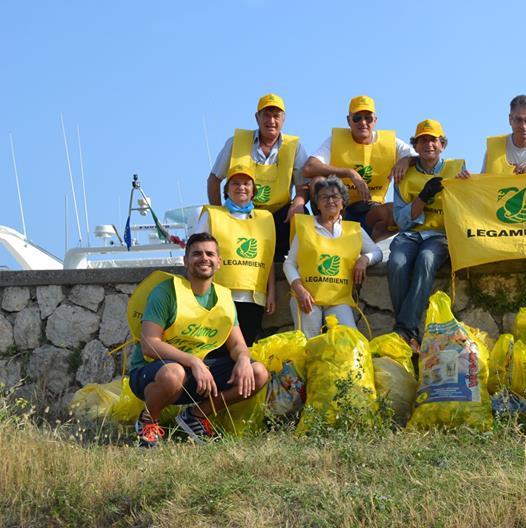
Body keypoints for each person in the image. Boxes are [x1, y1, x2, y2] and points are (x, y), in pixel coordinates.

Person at [128, 233, 269, 447]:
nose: (204, 258)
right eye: (197, 254)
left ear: (219, 262)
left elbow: (238, 345)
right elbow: (149, 344)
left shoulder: (223, 297)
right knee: (173, 372)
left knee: (258, 372)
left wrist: (242, 360)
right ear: (186, 261)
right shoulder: (166, 292)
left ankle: (196, 416)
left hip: (196, 373)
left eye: (210, 253)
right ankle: (149, 422)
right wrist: (193, 362)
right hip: (152, 373)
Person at [389, 119, 468, 349]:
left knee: (426, 259)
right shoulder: (404, 174)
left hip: (440, 235)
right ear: (415, 146)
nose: (428, 145)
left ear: (442, 144)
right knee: (396, 262)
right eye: (423, 140)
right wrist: (422, 198)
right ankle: (409, 332)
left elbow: (469, 204)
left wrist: (467, 185)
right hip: (411, 235)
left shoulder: (457, 168)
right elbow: (401, 220)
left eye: (433, 140)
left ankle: (404, 330)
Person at [207, 93, 308, 264]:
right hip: (243, 214)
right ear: (257, 117)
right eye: (266, 115)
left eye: (276, 116)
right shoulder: (235, 142)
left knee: (303, 214)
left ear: (283, 119)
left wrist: (298, 202)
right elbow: (214, 179)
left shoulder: (294, 147)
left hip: (279, 215)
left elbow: (304, 186)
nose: (271, 121)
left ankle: (296, 265)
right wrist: (220, 216)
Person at [302, 95, 415, 241]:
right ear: (348, 120)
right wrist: (350, 173)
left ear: (375, 120)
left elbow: (421, 157)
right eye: (357, 118)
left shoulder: (391, 142)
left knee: (394, 211)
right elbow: (309, 168)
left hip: (371, 209)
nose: (363, 123)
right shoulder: (335, 140)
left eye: (368, 118)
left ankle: (373, 246)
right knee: (318, 181)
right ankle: (332, 233)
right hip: (340, 208)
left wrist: (407, 160)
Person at [284, 176, 382, 337]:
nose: (330, 200)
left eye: (335, 196)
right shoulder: (305, 226)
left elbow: (377, 252)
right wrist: (299, 289)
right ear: (317, 203)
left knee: (349, 340)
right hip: (308, 297)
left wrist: (364, 259)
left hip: (338, 298)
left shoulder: (354, 230)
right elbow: (289, 264)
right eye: (324, 197)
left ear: (343, 202)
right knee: (309, 341)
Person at [193, 162, 276, 346]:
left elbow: (268, 258)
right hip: (219, 295)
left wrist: (271, 292)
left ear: (253, 190)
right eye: (235, 183)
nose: (241, 188)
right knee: (216, 348)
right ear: (227, 190)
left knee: (244, 348)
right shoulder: (212, 215)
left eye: (246, 184)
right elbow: (195, 252)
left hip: (253, 297)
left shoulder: (265, 219)